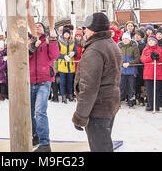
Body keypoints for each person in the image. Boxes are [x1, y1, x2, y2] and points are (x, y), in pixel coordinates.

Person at [72, 12, 122, 152]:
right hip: (109, 104)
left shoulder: (94, 49)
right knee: (104, 144)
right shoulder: (110, 44)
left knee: (100, 147)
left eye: (86, 28)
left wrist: (80, 116)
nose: (84, 31)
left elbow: (89, 88)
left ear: (93, 30)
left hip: (98, 108)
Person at [29, 22, 60, 152]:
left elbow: (55, 55)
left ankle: (45, 143)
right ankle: (35, 136)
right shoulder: (28, 41)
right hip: (29, 81)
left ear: (44, 29)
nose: (37, 27)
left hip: (44, 80)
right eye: (35, 26)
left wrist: (53, 40)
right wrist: (32, 47)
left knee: (40, 112)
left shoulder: (48, 41)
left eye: (40, 26)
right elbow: (23, 57)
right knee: (30, 113)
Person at [141, 35, 162, 111]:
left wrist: (158, 57)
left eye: (152, 41)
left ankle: (157, 105)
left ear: (156, 42)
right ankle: (150, 104)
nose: (151, 42)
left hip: (157, 73)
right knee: (149, 90)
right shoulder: (145, 50)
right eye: (149, 41)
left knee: (157, 90)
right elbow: (143, 59)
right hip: (148, 73)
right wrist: (150, 57)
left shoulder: (160, 49)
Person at [119, 32, 140, 108]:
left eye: (127, 39)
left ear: (130, 39)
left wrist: (129, 63)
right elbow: (117, 58)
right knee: (121, 86)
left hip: (132, 71)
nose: (125, 40)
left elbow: (137, 59)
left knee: (131, 86)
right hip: (122, 71)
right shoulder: (120, 47)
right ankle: (119, 101)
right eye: (124, 39)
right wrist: (122, 63)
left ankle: (131, 100)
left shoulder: (134, 48)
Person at [57, 27, 78, 103]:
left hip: (71, 65)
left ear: (69, 34)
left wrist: (73, 53)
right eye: (65, 33)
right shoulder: (59, 42)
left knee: (70, 81)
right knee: (63, 82)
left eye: (68, 33)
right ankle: (63, 96)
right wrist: (63, 56)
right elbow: (56, 54)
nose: (66, 34)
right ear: (63, 34)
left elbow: (76, 52)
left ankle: (70, 95)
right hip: (62, 65)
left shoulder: (72, 42)